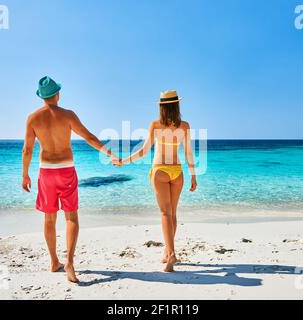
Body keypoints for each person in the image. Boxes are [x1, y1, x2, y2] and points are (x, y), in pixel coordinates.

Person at [22, 76, 120, 283]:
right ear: (57, 94)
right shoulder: (68, 115)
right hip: (66, 169)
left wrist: (25, 174)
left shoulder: (33, 118)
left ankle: (53, 261)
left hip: (46, 171)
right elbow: (88, 136)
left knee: (49, 218)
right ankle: (70, 263)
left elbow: (27, 149)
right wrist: (108, 152)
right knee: (71, 217)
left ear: (42, 97)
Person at [121, 90, 197, 272]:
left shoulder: (155, 124)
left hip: (160, 170)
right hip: (177, 172)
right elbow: (188, 153)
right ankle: (168, 252)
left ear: (161, 107)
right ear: (177, 105)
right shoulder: (185, 125)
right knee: (173, 213)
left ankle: (170, 254)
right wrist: (193, 175)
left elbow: (144, 151)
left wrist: (124, 161)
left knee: (165, 214)